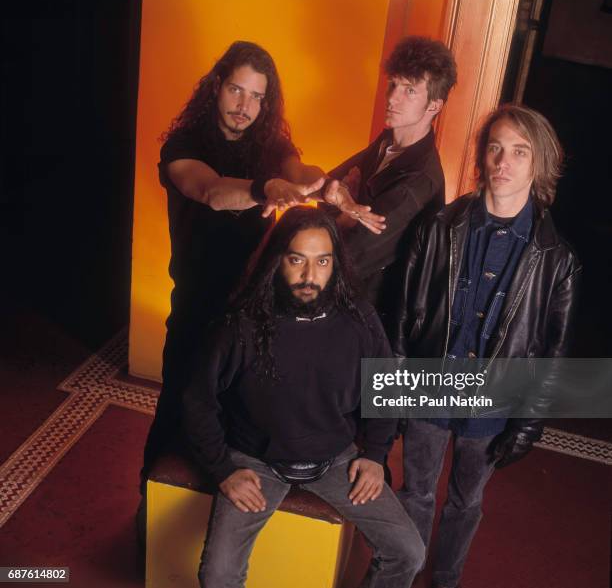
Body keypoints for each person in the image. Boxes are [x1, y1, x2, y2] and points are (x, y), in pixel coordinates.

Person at [142, 40, 381, 478]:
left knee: (236, 416)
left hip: (251, 307)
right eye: (236, 90)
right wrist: (264, 189)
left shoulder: (270, 143)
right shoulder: (184, 143)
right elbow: (210, 191)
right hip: (198, 304)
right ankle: (148, 506)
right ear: (216, 86)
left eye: (256, 96)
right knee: (180, 405)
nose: (244, 105)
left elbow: (299, 172)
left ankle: (219, 503)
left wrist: (326, 186)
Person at [183, 206, 425, 588]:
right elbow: (197, 401)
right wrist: (223, 470)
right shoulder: (241, 324)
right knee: (218, 574)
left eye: (322, 261)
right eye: (297, 260)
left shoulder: (359, 319)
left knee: (409, 552)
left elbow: (386, 388)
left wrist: (376, 456)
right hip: (256, 460)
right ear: (277, 260)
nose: (310, 276)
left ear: (336, 264)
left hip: (334, 461)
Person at [392, 104, 581, 588]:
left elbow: (551, 355)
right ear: (482, 156)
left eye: (520, 152)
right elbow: (403, 315)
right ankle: (405, 574)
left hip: (492, 404)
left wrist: (528, 425)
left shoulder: (557, 260)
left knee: (465, 502)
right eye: (495, 147)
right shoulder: (437, 228)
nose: (504, 161)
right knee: (415, 493)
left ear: (539, 164)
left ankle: (445, 581)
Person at [328, 36, 457, 329]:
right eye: (393, 84)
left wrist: (344, 212)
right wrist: (345, 204)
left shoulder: (419, 180)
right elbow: (328, 185)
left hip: (361, 320)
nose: (391, 97)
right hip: (341, 304)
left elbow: (348, 257)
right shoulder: (388, 141)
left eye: (409, 90)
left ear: (434, 105)